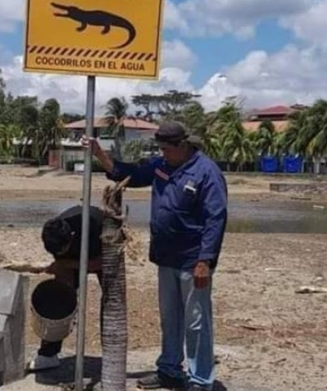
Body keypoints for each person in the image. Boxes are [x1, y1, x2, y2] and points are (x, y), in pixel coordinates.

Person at [83, 121, 228, 391]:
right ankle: (169, 370)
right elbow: (128, 173)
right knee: (169, 318)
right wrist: (98, 153)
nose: (162, 153)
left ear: (182, 145)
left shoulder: (206, 172)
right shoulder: (161, 166)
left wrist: (205, 261)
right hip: (165, 256)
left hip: (193, 260)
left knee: (196, 322)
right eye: (159, 148)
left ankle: (200, 380)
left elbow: (215, 219)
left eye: (166, 148)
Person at [28, 204, 105, 372]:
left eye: (61, 250)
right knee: (58, 297)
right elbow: (61, 260)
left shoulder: (96, 223)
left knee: (111, 302)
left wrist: (64, 262)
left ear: (71, 236)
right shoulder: (54, 236)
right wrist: (63, 263)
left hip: (101, 252)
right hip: (71, 259)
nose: (58, 254)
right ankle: (48, 354)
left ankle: (112, 351)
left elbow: (100, 262)